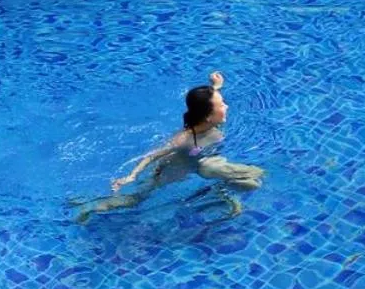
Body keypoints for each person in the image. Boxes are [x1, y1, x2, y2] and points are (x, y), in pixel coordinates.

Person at [76, 71, 264, 221]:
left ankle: (220, 191)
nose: (227, 107)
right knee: (134, 200)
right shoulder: (184, 139)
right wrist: (131, 176)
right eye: (222, 105)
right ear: (208, 116)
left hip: (203, 161)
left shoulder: (209, 120)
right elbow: (151, 156)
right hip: (170, 173)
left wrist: (216, 86)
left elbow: (209, 102)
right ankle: (89, 206)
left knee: (250, 183)